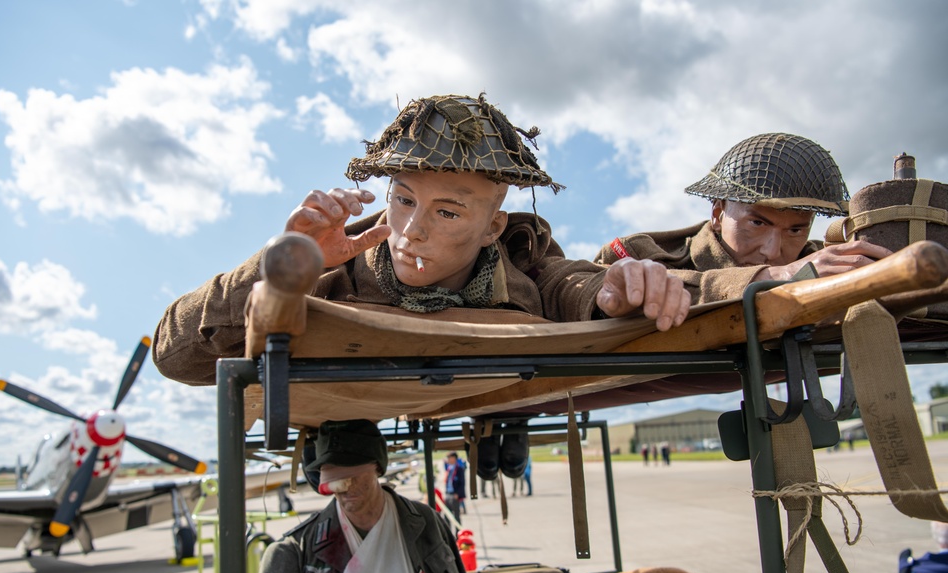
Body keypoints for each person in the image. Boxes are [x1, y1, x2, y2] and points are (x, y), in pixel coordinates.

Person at [152, 93, 691, 386]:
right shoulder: (325, 271)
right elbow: (174, 356)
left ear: (493, 228)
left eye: (449, 212)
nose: (412, 230)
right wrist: (282, 270)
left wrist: (612, 293)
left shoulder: (526, 266)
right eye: (403, 199)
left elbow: (570, 285)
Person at [256, 419, 486, 573]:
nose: (345, 486)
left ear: (378, 467)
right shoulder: (292, 552)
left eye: (354, 473)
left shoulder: (425, 522)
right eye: (336, 476)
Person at [594, 133, 892, 304]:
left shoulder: (820, 261)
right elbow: (605, 292)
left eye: (796, 230)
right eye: (757, 223)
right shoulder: (637, 254)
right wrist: (777, 277)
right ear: (717, 213)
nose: (772, 252)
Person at [443, 452, 466, 524]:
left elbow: (462, 483)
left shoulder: (459, 469)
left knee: (456, 516)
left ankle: (458, 533)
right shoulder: (449, 468)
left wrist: (458, 494)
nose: (449, 460)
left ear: (454, 458)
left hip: (455, 495)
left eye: (450, 458)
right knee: (447, 516)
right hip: (448, 494)